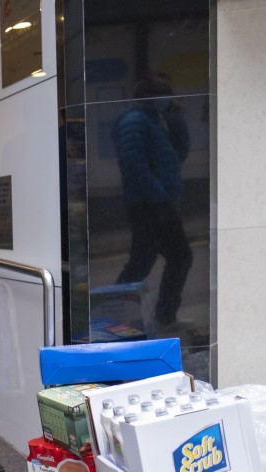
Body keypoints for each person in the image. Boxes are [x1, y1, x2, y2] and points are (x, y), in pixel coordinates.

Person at [113, 73, 192, 331]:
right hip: (149, 204)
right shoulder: (134, 121)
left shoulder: (154, 120)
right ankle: (118, 316)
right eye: (166, 94)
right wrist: (159, 195)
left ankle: (148, 316)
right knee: (164, 259)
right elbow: (134, 164)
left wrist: (177, 122)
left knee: (152, 260)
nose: (169, 99)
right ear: (151, 96)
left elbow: (177, 156)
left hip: (158, 203)